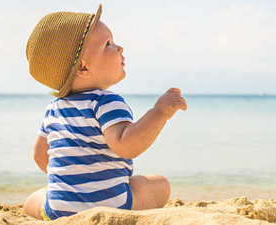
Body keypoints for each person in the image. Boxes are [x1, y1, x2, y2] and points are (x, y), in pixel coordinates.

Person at [23, 4, 187, 221]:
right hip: (112, 205)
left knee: (32, 201)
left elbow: (39, 155)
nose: (120, 48)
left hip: (59, 210)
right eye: (108, 44)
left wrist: (75, 182)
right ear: (83, 68)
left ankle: (58, 205)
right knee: (159, 184)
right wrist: (159, 112)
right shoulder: (106, 101)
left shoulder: (54, 108)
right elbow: (127, 145)